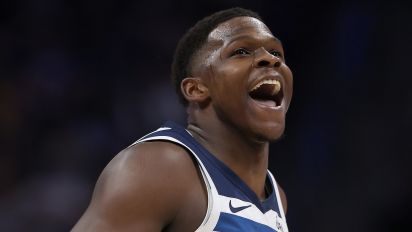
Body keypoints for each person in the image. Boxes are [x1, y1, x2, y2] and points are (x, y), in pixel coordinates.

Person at [72, 7, 293, 232]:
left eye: (277, 53)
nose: (269, 59)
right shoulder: (160, 168)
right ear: (196, 88)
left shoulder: (276, 198)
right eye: (242, 51)